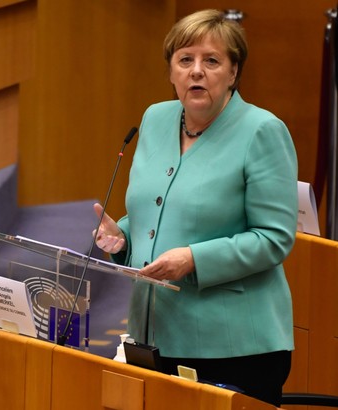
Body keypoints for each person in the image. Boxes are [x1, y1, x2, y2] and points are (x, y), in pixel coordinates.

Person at [93, 9, 298, 407]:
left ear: (234, 72)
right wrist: (123, 235)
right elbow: (157, 212)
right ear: (171, 71)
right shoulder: (156, 118)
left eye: (212, 60)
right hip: (154, 334)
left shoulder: (262, 131)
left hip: (236, 347)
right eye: (185, 60)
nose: (196, 71)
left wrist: (194, 259)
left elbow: (274, 238)